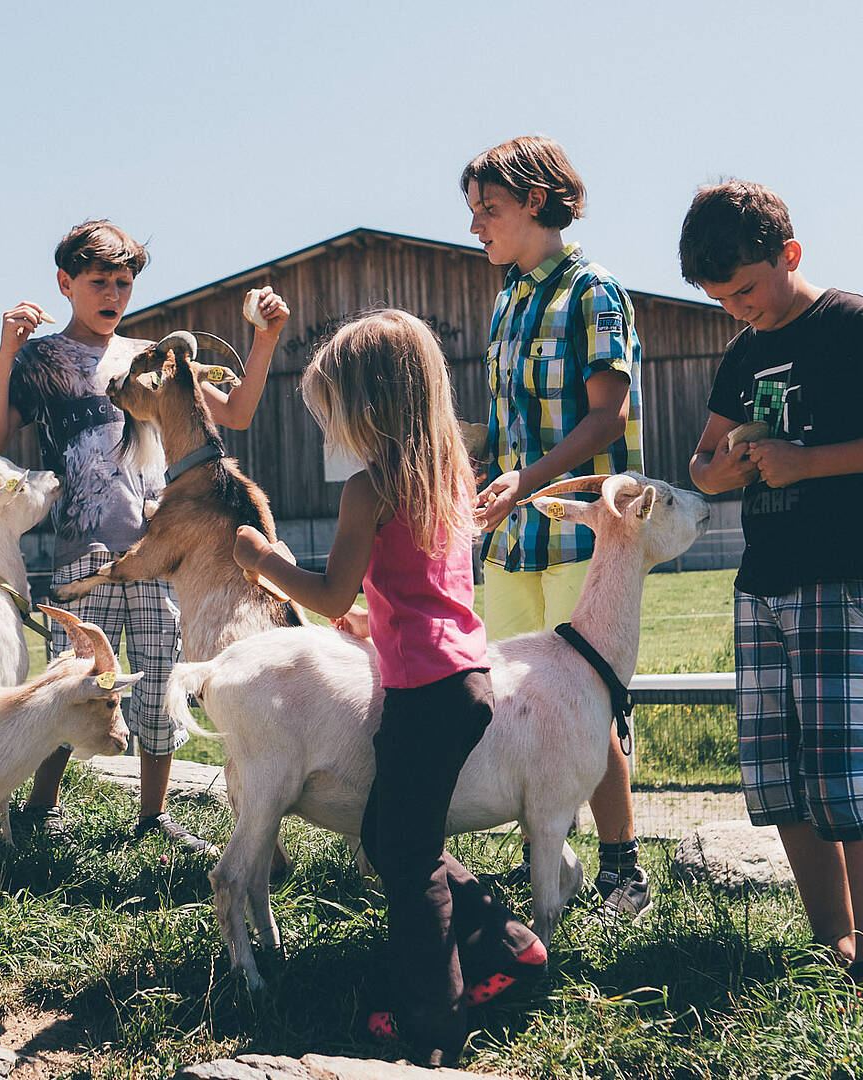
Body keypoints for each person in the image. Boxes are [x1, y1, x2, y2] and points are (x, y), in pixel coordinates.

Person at [233, 309, 544, 1067]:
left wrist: (262, 557)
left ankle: (428, 1024)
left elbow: (329, 593)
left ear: (370, 406)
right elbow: (431, 590)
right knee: (390, 839)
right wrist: (380, 624)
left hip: (424, 694)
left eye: (333, 411)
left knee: (408, 866)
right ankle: (513, 947)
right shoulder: (445, 474)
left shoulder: (368, 489)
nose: (330, 429)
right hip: (465, 678)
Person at [682, 180, 863, 999]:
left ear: (787, 256)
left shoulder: (852, 324)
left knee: (845, 777)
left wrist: (810, 461)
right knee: (781, 780)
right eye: (720, 299)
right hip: (763, 581)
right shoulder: (742, 352)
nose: (737, 310)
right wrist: (721, 471)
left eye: (745, 290)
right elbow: (701, 462)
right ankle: (832, 946)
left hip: (845, 577)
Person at [0, 219, 290, 854]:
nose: (113, 293)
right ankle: (42, 804)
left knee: (157, 681)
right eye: (98, 281)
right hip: (83, 550)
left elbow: (236, 414)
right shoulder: (43, 361)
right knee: (75, 683)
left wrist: (264, 342)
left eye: (123, 282)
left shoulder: (150, 359)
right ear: (65, 283)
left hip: (162, 551)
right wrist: (8, 350)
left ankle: (153, 816)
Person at [461, 135, 650, 916]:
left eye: (489, 209)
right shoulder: (507, 294)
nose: (477, 227)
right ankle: (554, 862)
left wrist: (526, 480)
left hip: (580, 533)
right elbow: (515, 429)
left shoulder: (593, 290)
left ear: (537, 202)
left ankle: (623, 870)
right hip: (512, 538)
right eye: (473, 212)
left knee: (587, 707)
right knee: (512, 703)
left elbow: (607, 419)